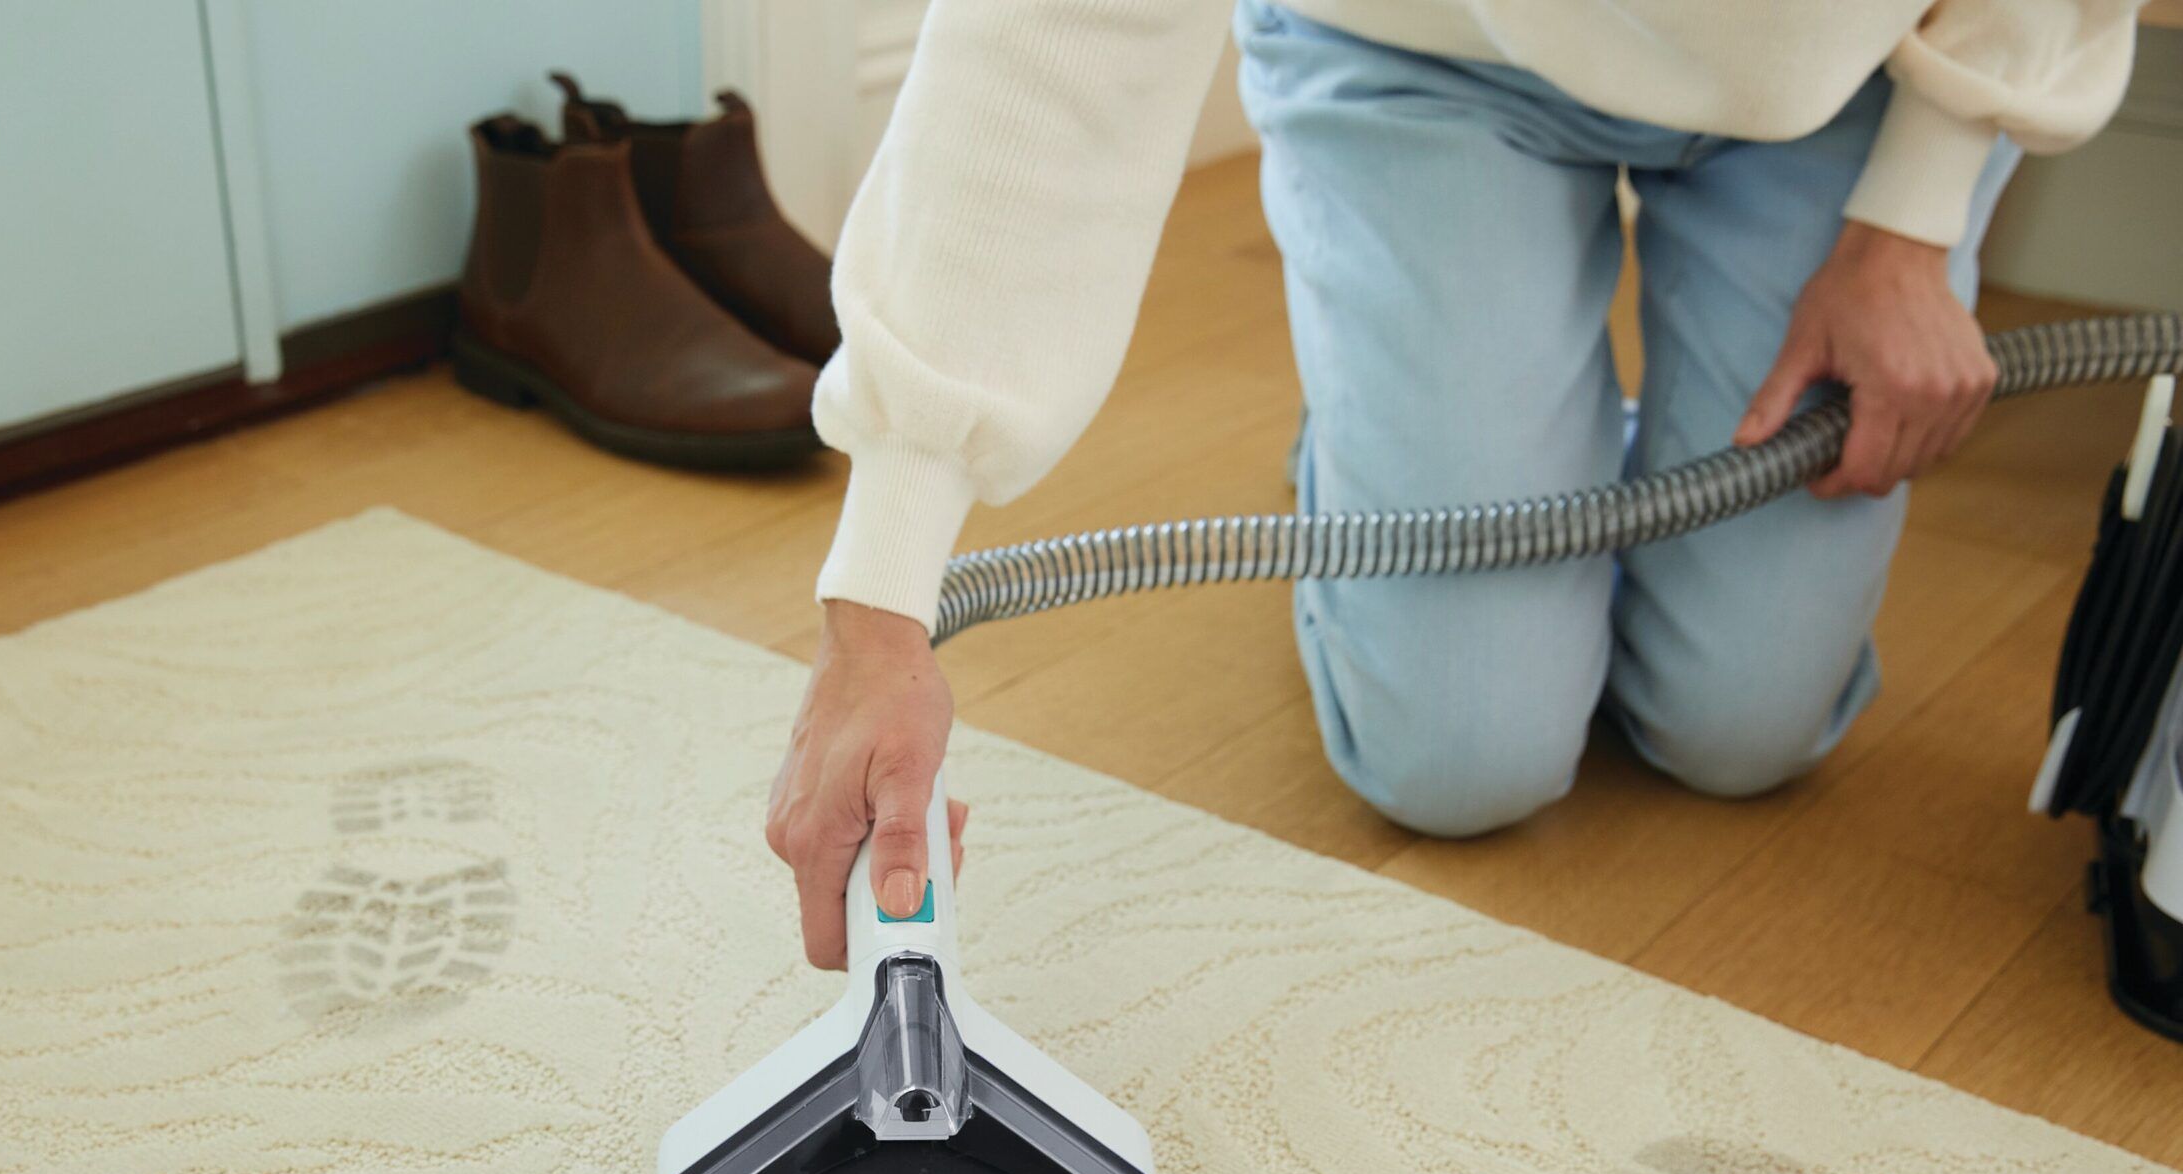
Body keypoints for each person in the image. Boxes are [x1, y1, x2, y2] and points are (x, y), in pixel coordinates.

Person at [763, 0, 2144, 969]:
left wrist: (1914, 218)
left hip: (1841, 83)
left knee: (1743, 731)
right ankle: (1391, 430)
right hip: (1424, 50)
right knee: (1460, 760)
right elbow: (1055, 36)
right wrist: (881, 595)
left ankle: (1480, 435)